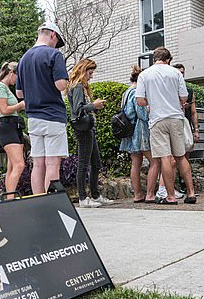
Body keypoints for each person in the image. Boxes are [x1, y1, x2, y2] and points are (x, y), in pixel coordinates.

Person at [136, 47, 196, 205]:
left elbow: (140, 101)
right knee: (180, 156)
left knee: (164, 158)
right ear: (168, 59)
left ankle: (170, 196)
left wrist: (153, 102)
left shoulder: (144, 74)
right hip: (176, 118)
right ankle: (191, 193)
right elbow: (184, 97)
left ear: (154, 59)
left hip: (157, 120)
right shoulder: (176, 73)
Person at [16, 22, 69, 194]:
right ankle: (50, 204)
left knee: (38, 164)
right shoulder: (54, 54)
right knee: (53, 163)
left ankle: (37, 201)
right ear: (53, 35)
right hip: (53, 116)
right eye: (57, 41)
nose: (56, 45)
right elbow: (61, 85)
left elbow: (19, 93)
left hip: (33, 118)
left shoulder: (23, 59)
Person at [66, 58, 113, 208]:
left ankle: (94, 195)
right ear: (83, 70)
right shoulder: (78, 87)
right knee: (84, 164)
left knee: (95, 163)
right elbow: (78, 110)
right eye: (90, 73)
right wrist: (94, 105)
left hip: (87, 128)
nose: (91, 76)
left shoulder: (78, 86)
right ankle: (83, 198)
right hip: (84, 129)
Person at [120, 66, 158, 203]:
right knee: (155, 161)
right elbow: (141, 114)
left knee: (135, 163)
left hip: (129, 131)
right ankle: (150, 194)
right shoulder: (137, 91)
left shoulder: (126, 92)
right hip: (140, 130)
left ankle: (137, 195)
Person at [0, 61, 26, 197]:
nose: (18, 80)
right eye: (18, 76)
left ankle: (9, 197)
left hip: (14, 125)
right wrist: (20, 105)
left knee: (12, 166)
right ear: (11, 73)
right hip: (7, 126)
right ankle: (10, 198)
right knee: (19, 164)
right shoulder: (0, 87)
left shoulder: (6, 88)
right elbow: (4, 110)